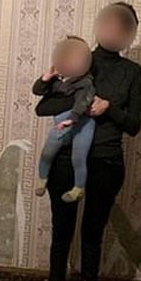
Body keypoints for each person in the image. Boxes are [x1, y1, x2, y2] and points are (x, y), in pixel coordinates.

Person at [29, 2, 141, 281]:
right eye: (109, 24)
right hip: (66, 161)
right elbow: (43, 107)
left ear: (130, 34)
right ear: (99, 25)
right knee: (61, 232)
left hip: (107, 162)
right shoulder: (79, 58)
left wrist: (109, 108)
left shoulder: (131, 72)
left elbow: (134, 125)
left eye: (122, 27)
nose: (113, 31)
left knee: (93, 233)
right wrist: (81, 101)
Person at [33, 36, 95, 203]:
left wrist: (73, 118)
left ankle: (79, 188)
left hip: (83, 124)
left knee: (78, 156)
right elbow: (38, 91)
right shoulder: (58, 80)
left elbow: (83, 101)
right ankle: (42, 179)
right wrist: (45, 78)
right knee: (48, 152)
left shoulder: (86, 82)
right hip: (62, 123)